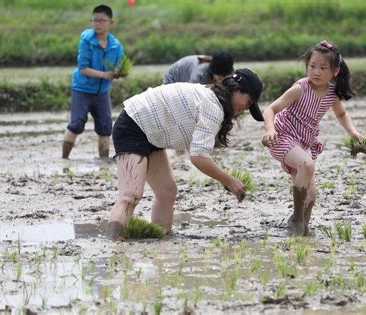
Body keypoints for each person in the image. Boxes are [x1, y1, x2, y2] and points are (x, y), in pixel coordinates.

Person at [107, 68, 264, 240]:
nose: (246, 109)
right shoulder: (213, 107)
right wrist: (228, 180)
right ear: (236, 89)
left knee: (167, 192)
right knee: (130, 196)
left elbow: (195, 145)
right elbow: (198, 157)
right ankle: (115, 247)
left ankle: (161, 240)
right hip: (133, 125)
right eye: (249, 103)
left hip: (150, 133)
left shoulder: (211, 97)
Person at [262, 40, 362, 236]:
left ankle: (300, 231)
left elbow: (341, 115)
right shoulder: (301, 88)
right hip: (283, 135)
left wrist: (353, 132)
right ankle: (298, 219)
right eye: (312, 66)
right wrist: (269, 129)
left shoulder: (332, 94)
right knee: (307, 165)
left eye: (323, 67)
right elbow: (270, 109)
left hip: (305, 141)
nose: (316, 71)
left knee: (312, 195)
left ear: (335, 71)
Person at [62, 4, 125, 159]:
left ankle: (104, 163)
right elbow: (83, 68)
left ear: (111, 23)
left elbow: (118, 67)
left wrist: (118, 73)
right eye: (94, 20)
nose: (97, 24)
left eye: (101, 21)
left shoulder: (116, 46)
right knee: (76, 123)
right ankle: (64, 160)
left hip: (102, 92)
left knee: (105, 127)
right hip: (82, 89)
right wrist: (105, 75)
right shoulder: (87, 41)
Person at [163, 51, 234, 85]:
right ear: (213, 72)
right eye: (220, 78)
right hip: (174, 78)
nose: (221, 80)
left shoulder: (230, 74)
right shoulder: (200, 74)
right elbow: (191, 93)